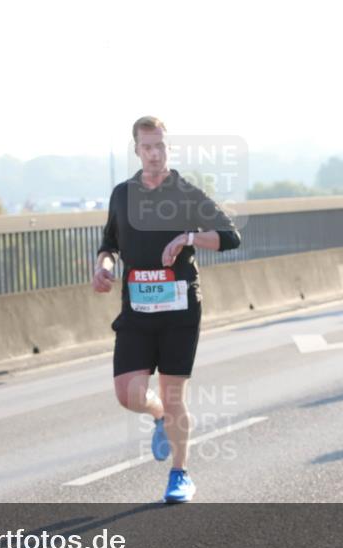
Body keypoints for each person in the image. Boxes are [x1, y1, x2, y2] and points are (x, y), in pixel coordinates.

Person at [92, 116, 241, 504]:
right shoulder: (122, 195)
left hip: (179, 311)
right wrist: (104, 266)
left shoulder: (187, 194)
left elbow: (230, 236)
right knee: (128, 394)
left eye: (160, 146)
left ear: (168, 148)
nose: (154, 154)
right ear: (137, 150)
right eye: (147, 147)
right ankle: (158, 417)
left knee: (175, 395)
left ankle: (180, 473)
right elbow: (109, 243)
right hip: (137, 311)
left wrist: (188, 236)